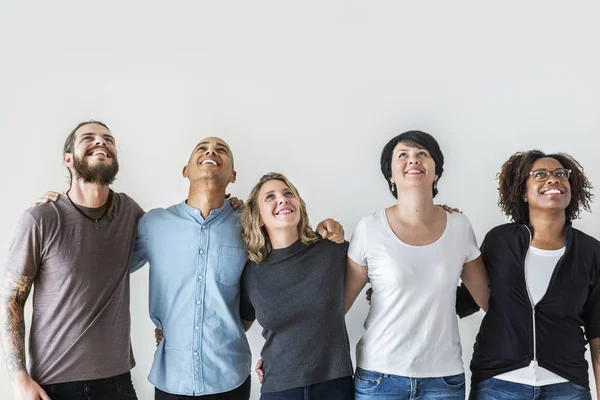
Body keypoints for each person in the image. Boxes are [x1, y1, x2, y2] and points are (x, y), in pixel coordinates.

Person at [131, 138, 345, 400]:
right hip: (171, 378)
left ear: (233, 175)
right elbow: (109, 271)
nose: (211, 151)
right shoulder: (154, 225)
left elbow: (288, 259)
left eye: (221, 150)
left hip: (230, 379)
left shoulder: (247, 228)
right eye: (202, 148)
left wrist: (327, 228)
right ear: (185, 170)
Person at [344, 130, 490, 399]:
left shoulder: (459, 226)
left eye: (422, 153)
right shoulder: (369, 228)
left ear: (436, 172)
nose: (413, 159)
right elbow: (336, 306)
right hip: (379, 377)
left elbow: (488, 300)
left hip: (443, 380)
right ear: (391, 174)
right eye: (403, 155)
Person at [1, 121, 142, 400]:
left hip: (118, 383)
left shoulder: (130, 212)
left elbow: (176, 235)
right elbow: (11, 300)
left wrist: (232, 208)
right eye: (88, 138)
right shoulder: (41, 218)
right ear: (68, 159)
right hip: (55, 386)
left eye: (108, 139)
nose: (101, 143)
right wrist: (18, 377)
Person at [469, 150, 600, 400]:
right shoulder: (499, 241)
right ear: (523, 192)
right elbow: (469, 298)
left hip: (566, 387)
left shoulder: (591, 251)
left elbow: (598, 329)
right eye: (540, 175)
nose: (553, 180)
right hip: (498, 384)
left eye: (560, 174)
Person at [239, 172, 354, 399]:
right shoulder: (251, 273)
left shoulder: (331, 250)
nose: (282, 199)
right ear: (259, 218)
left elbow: (383, 264)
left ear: (298, 206)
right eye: (270, 197)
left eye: (287, 193)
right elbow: (239, 326)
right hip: (278, 388)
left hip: (334, 386)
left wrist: (432, 212)